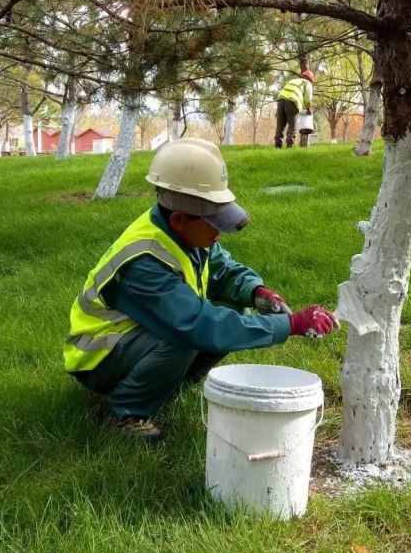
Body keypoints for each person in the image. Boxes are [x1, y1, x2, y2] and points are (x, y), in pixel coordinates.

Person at [63, 137, 337, 441]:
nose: (219, 233)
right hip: (97, 356)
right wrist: (291, 324)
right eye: (214, 223)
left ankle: (164, 384)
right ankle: (126, 411)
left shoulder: (184, 233)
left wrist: (256, 291)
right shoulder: (144, 262)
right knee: (185, 336)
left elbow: (222, 269)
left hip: (129, 337)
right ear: (180, 219)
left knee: (235, 309)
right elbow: (197, 325)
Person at [275, 69, 314, 148]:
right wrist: (309, 110)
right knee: (292, 125)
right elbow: (307, 99)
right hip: (292, 102)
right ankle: (289, 146)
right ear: (310, 79)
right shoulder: (307, 83)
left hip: (280, 101)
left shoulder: (293, 80)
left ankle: (277, 146)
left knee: (280, 125)